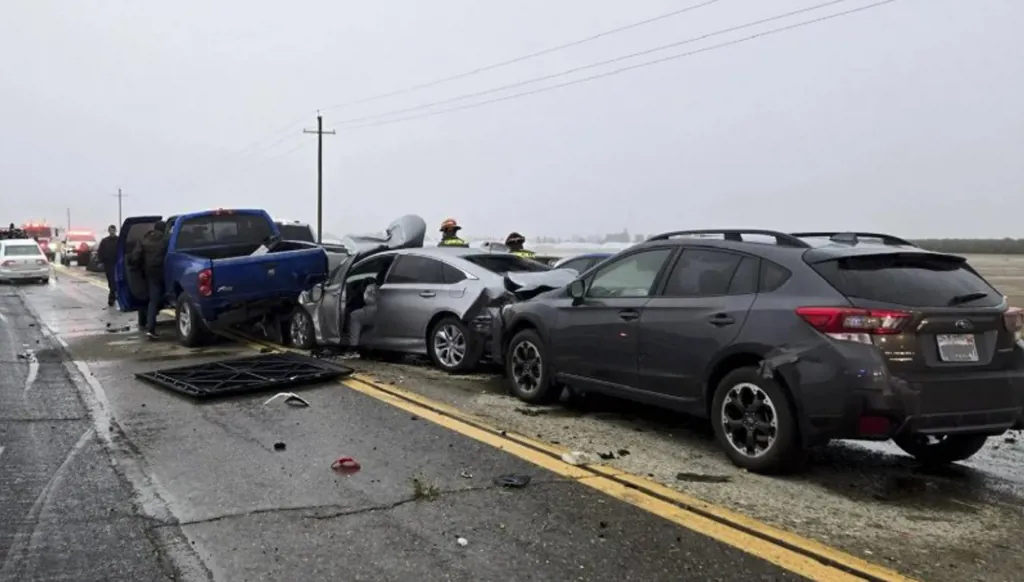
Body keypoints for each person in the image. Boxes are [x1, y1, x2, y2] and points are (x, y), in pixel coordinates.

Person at [129, 220, 169, 339]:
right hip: (165, 272)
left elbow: (136, 257)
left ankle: (146, 324)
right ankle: (150, 327)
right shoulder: (167, 240)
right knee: (160, 298)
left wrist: (136, 268)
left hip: (150, 274)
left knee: (151, 299)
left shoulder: (144, 240)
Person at [341, 277, 379, 359]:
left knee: (355, 316)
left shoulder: (371, 287)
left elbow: (369, 300)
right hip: (390, 311)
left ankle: (353, 347)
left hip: (377, 309)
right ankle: (369, 348)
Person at [97, 225, 119, 306]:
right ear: (109, 231)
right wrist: (100, 261)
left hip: (117, 264)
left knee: (115, 281)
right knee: (111, 281)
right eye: (111, 230)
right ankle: (113, 296)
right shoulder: (105, 241)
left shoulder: (119, 240)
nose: (112, 232)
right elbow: (100, 252)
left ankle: (112, 298)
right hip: (108, 264)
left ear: (115, 231)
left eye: (113, 230)